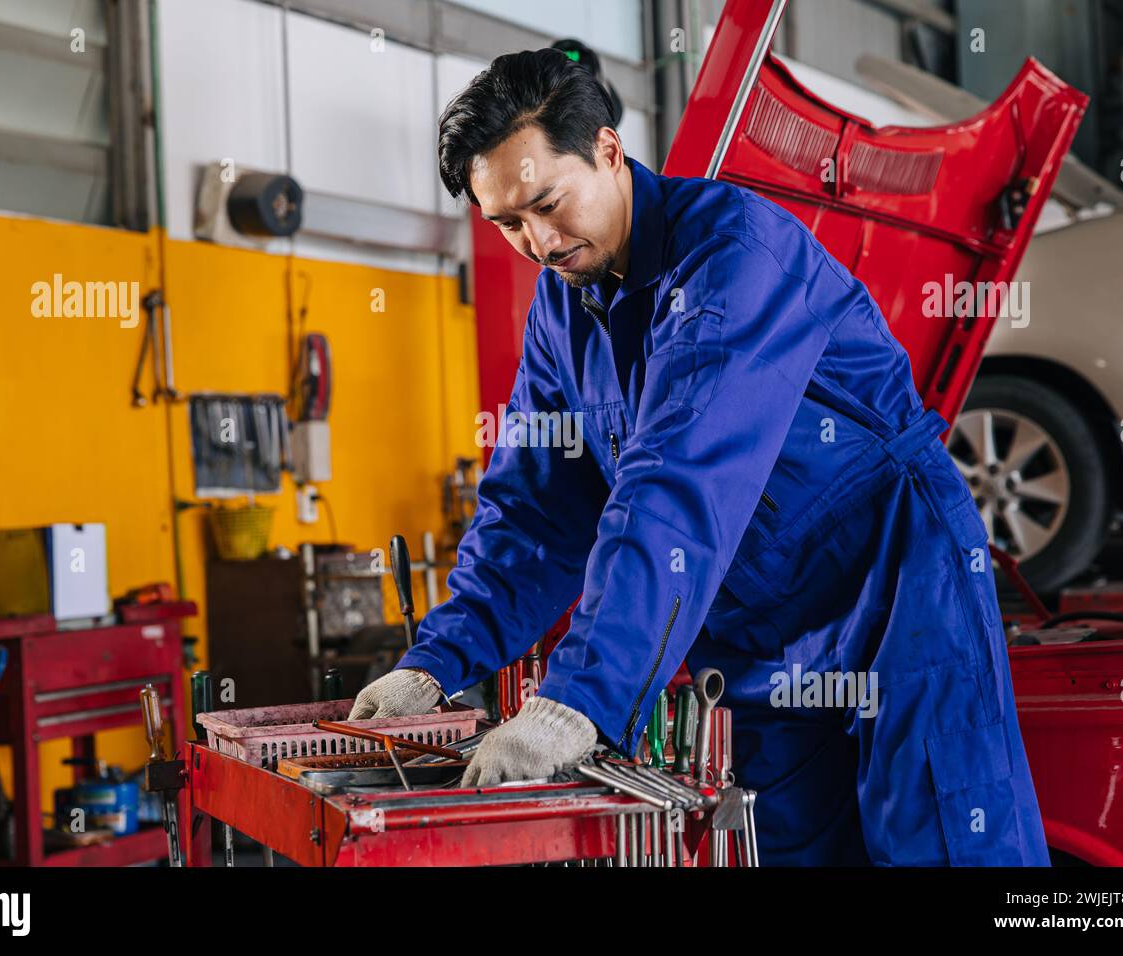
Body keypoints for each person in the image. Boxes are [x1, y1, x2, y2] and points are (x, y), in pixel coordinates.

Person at [350, 48, 1049, 866]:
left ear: (608, 152)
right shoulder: (562, 311)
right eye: (508, 223)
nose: (537, 240)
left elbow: (678, 481)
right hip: (757, 632)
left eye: (547, 203)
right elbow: (535, 512)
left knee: (940, 834)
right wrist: (437, 661)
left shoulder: (735, 254)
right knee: (786, 848)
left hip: (895, 585)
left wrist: (577, 701)